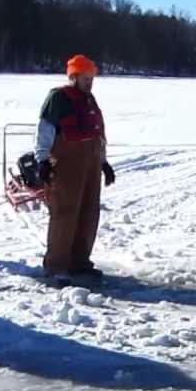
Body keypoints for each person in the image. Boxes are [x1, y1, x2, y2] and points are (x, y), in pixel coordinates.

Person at [34, 54, 115, 286]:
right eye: (85, 77)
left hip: (90, 165)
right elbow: (44, 130)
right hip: (67, 163)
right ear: (74, 76)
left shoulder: (90, 100)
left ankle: (79, 261)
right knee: (65, 214)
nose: (89, 82)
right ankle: (56, 265)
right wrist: (42, 160)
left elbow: (98, 135)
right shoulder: (58, 98)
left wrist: (104, 162)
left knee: (88, 214)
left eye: (91, 78)